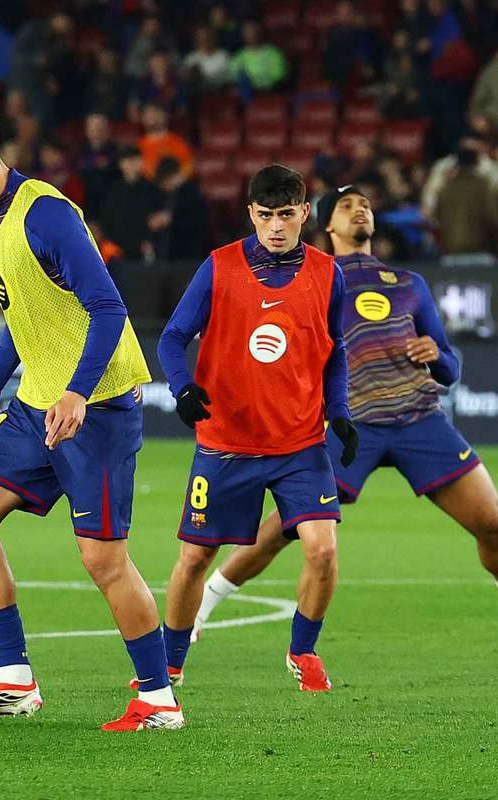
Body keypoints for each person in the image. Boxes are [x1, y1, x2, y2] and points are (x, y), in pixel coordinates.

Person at [0, 91, 181, 732]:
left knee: (102, 560)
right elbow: (23, 311)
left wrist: (76, 390)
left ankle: (158, 700)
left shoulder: (48, 215)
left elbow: (109, 307)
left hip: (96, 405)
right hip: (37, 398)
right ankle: (13, 680)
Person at [191, 185, 498, 641]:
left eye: (364, 205)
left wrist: (435, 353)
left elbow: (451, 369)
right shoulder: (311, 279)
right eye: (345, 206)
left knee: (493, 523)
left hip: (419, 420)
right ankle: (205, 604)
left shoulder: (408, 284)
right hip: (350, 426)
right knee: (284, 529)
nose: (359, 210)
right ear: (325, 224)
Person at [156, 164, 357, 693]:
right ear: (251, 213)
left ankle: (303, 651)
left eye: (286, 215)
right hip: (227, 443)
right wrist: (182, 388)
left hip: (300, 443)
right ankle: (167, 666)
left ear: (304, 213)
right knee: (196, 557)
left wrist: (340, 411)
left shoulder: (326, 273)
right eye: (265, 216)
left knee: (323, 549)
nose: (275, 226)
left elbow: (336, 353)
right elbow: (172, 338)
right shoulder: (219, 268)